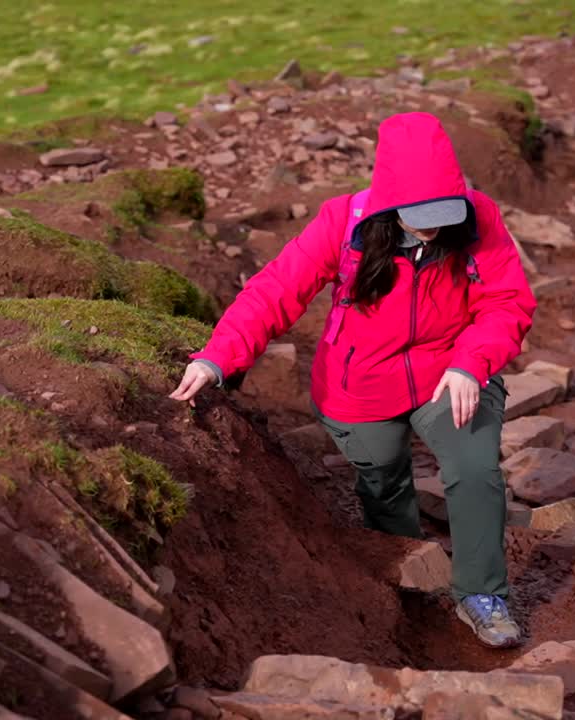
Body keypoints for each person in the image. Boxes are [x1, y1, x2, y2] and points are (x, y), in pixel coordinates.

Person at [169, 112, 536, 648]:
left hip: (448, 371)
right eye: (420, 214)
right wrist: (217, 357)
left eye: (443, 211)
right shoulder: (344, 222)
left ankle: (482, 594)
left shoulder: (478, 218)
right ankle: (409, 583)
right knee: (384, 483)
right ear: (389, 201)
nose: (434, 225)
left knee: (475, 469)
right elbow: (276, 291)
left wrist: (470, 363)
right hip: (360, 384)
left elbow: (506, 302)